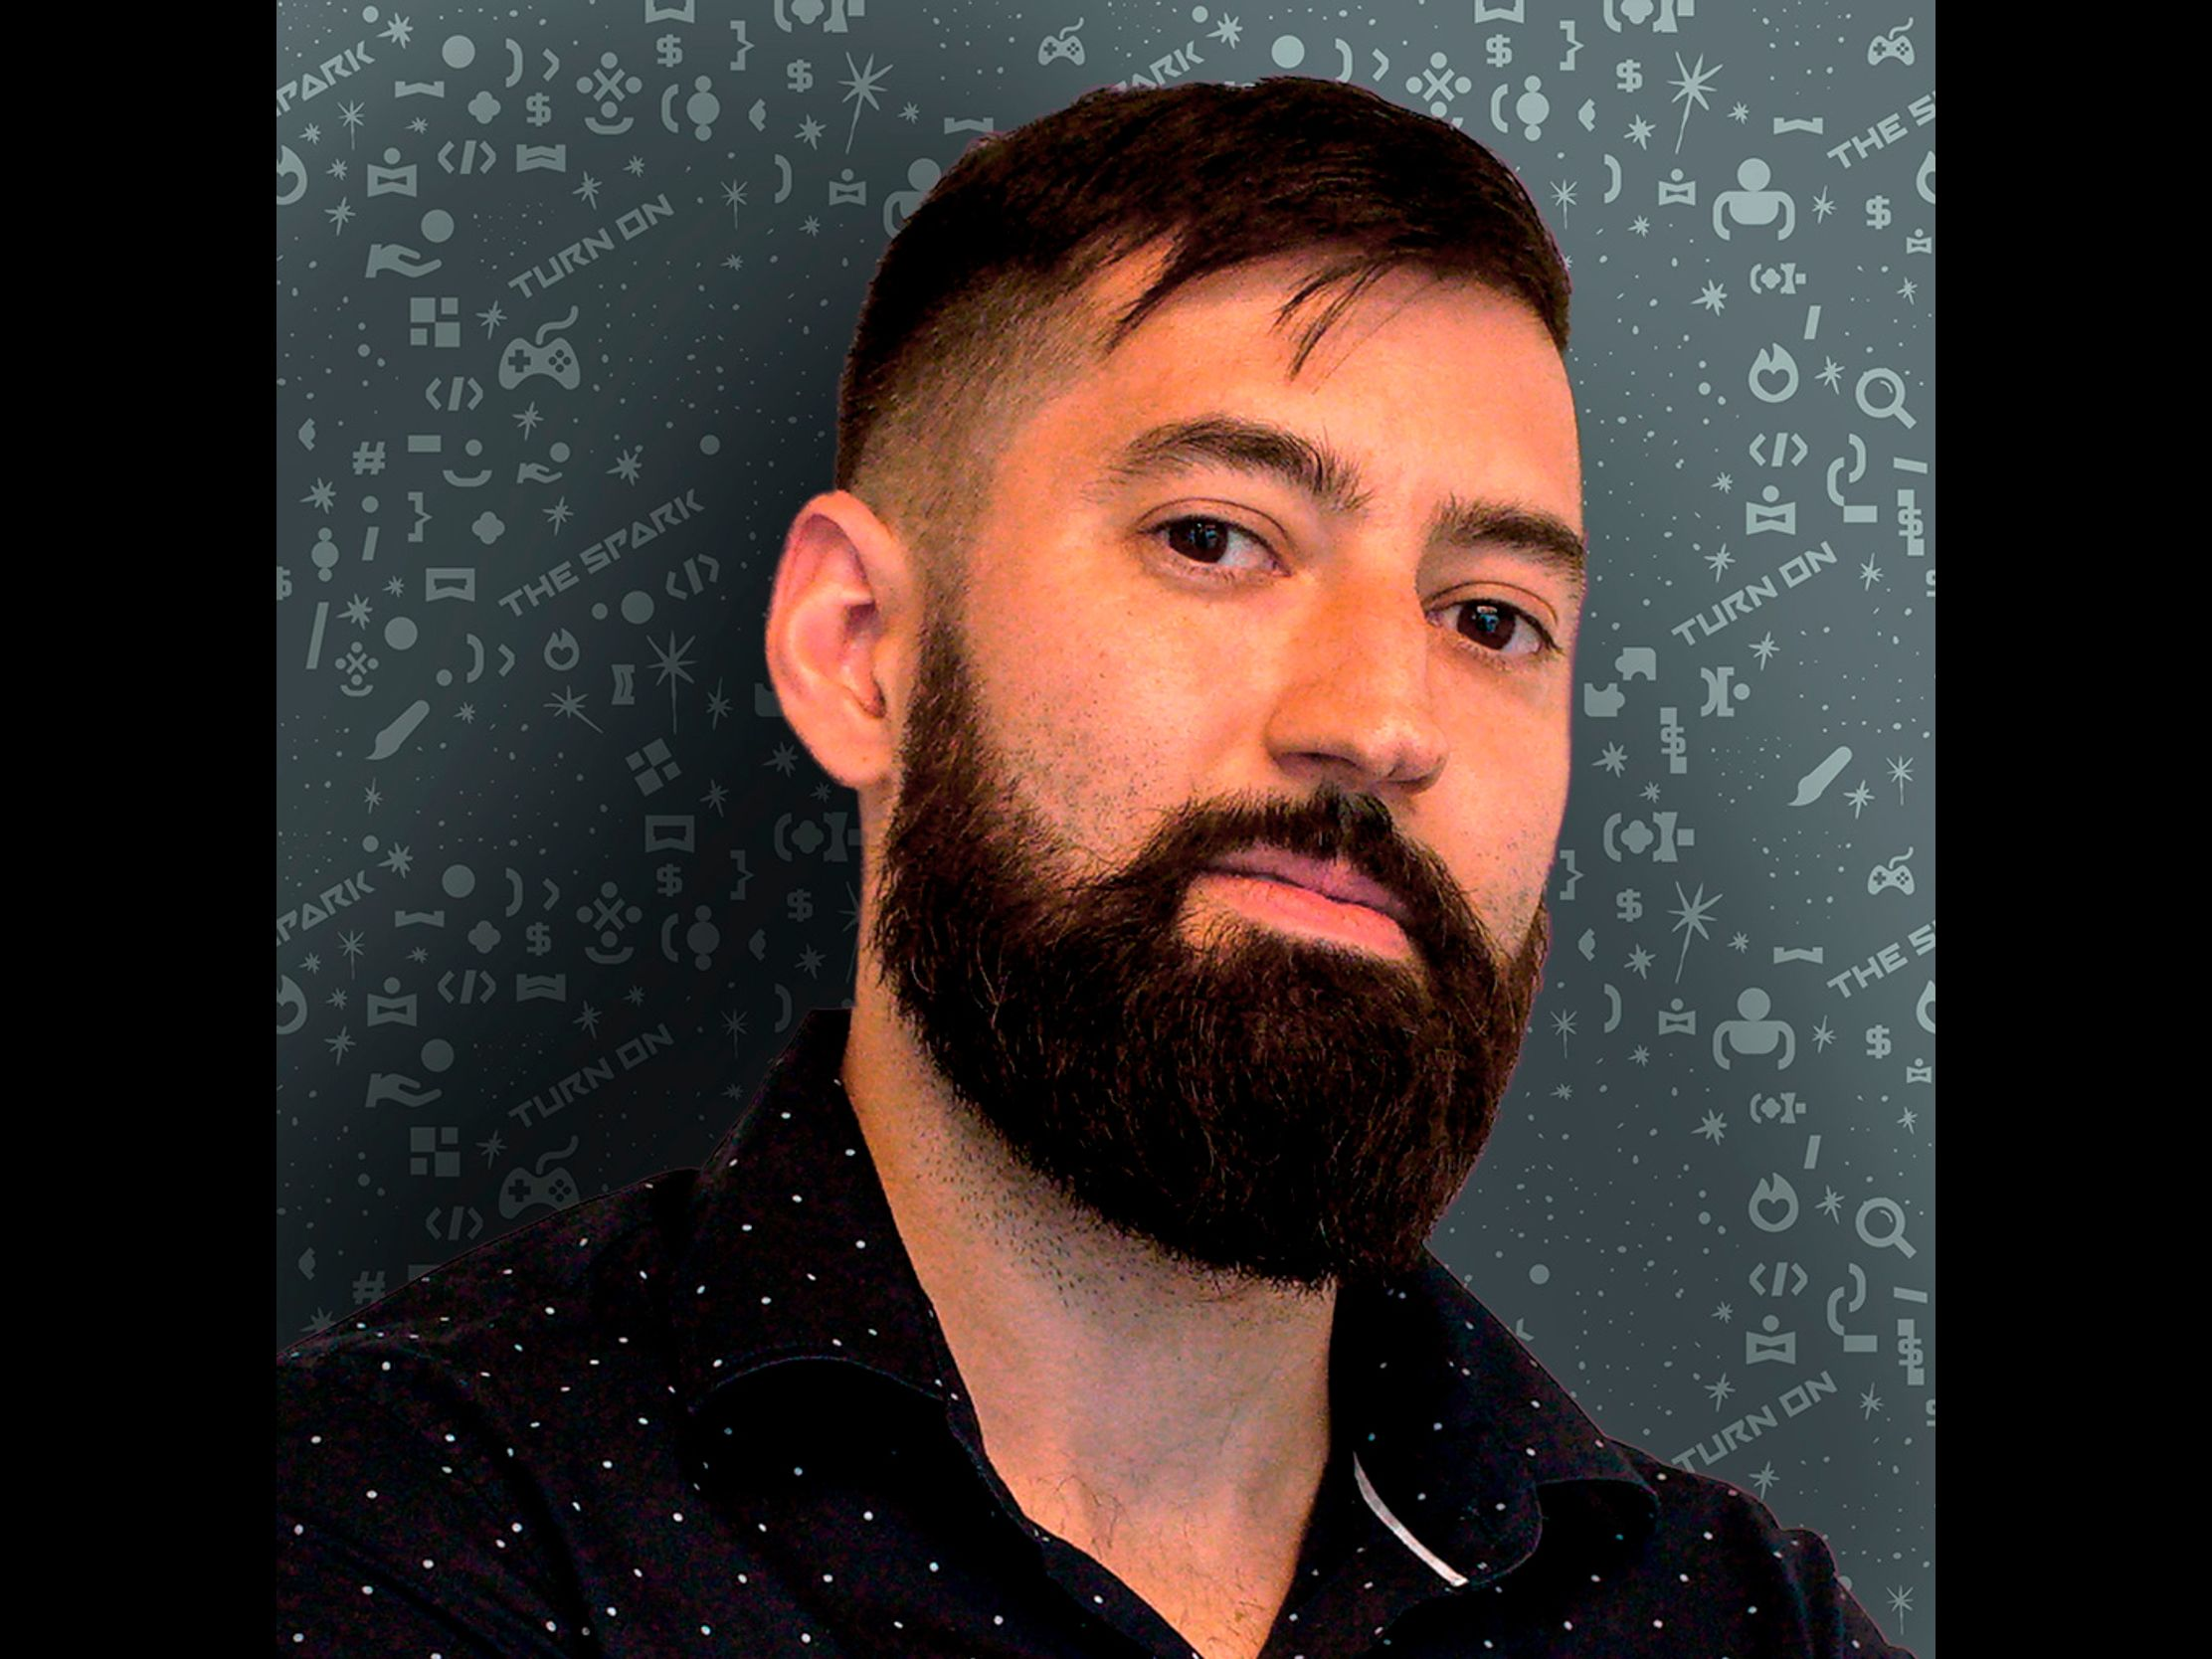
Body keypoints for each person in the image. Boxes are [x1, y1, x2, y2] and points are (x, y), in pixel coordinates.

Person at [276, 77, 1917, 1658]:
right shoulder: (401, 1522)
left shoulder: (1732, 1619)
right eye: (1216, 538)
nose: (1383, 720)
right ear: (858, 649)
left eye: (1492, 618)